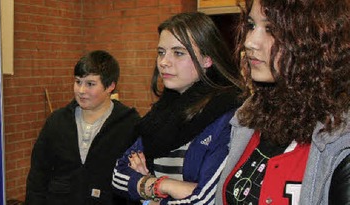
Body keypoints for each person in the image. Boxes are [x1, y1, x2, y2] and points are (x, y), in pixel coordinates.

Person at [215, 0, 350, 204]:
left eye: (271, 29)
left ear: (315, 38)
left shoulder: (340, 139)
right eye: (251, 25)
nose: (250, 42)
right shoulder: (249, 117)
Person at [111, 12, 242, 204]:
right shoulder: (161, 114)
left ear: (207, 59)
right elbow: (117, 175)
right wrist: (161, 186)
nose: (164, 62)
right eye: (161, 52)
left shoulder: (228, 115)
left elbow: (206, 199)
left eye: (178, 53)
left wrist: (148, 192)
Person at [25, 50, 141, 204]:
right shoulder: (57, 121)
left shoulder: (129, 123)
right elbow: (37, 177)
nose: (81, 90)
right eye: (78, 81)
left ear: (110, 86)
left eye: (90, 84)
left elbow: (133, 178)